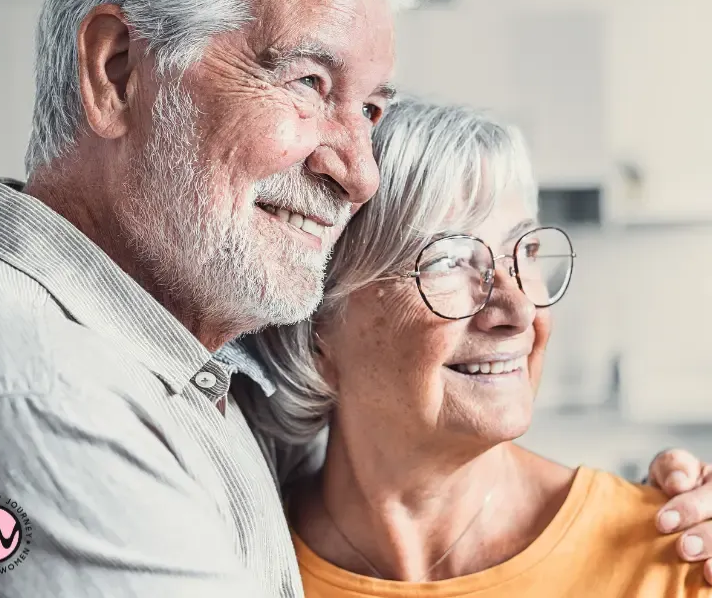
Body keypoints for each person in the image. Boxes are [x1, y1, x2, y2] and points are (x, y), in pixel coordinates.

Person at [0, 0, 708, 598]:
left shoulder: (183, 386)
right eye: (307, 83)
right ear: (118, 72)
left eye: (369, 109)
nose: (357, 170)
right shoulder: (46, 402)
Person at [240, 98, 712, 596]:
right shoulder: (233, 562)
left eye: (525, 250)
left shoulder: (676, 559)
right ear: (315, 320)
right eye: (447, 260)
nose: (519, 310)